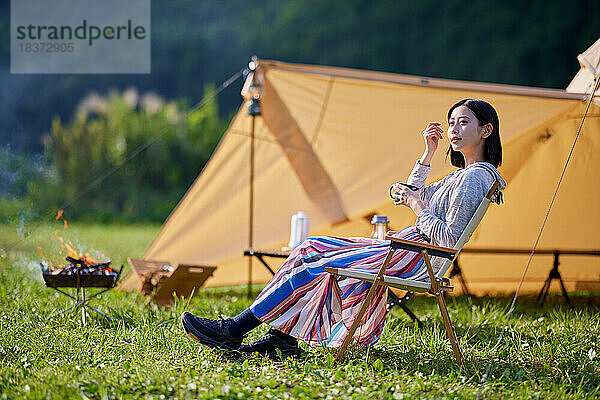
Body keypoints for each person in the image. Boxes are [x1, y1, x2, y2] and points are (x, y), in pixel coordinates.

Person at [182, 99, 506, 358]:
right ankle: (279, 339)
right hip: (406, 250)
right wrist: (428, 153)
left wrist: (416, 204)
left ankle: (234, 330)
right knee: (310, 248)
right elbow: (412, 192)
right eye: (451, 122)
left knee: (314, 257)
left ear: (486, 130)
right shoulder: (463, 174)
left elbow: (447, 239)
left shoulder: (475, 176)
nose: (454, 129)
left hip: (415, 258)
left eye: (464, 123)